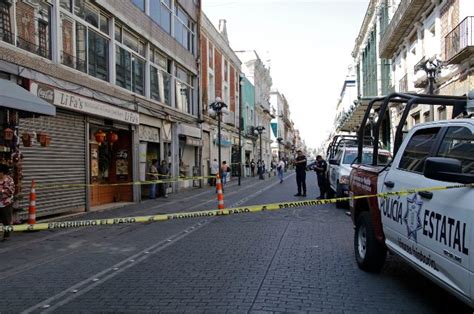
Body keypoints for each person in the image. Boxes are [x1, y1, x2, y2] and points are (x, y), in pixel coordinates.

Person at [0, 164, 15, 240]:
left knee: (6, 220)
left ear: (2, 172)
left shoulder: (9, 180)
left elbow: (11, 191)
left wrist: (2, 191)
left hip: (6, 203)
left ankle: (6, 236)